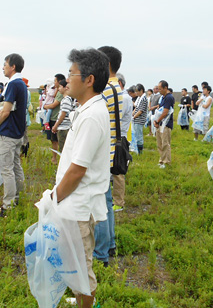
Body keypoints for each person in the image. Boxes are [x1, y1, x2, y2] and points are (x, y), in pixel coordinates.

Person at [50, 48, 110, 308]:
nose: (67, 79)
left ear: (89, 80)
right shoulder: (86, 109)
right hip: (75, 201)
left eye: (71, 73)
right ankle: (84, 297)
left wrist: (55, 198)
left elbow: (78, 170)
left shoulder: (92, 116)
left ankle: (88, 303)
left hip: (79, 204)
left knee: (81, 264)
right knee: (74, 259)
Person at [0, 54, 27, 217]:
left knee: (7, 169)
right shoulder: (21, 84)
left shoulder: (13, 84)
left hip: (9, 133)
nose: (3, 67)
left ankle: (8, 204)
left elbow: (6, 111)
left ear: (13, 67)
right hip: (17, 133)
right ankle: (18, 197)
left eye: (5, 65)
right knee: (16, 166)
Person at [93, 45, 123, 267]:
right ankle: (110, 243)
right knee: (107, 199)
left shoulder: (105, 89)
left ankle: (101, 253)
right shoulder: (116, 87)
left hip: (103, 152)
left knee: (100, 203)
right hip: (111, 150)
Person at [112, 72, 132, 212]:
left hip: (119, 139)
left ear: (119, 83)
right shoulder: (124, 97)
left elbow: (116, 118)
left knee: (118, 171)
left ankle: (119, 202)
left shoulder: (124, 98)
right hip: (118, 137)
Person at [43, 74, 65, 164]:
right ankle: (55, 158)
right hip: (54, 117)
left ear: (59, 81)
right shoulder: (57, 91)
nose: (54, 83)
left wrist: (45, 106)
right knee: (54, 140)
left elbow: (54, 104)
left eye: (55, 81)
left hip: (56, 118)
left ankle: (56, 159)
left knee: (57, 140)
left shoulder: (60, 93)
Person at [152, 80, 175, 168]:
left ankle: (166, 162)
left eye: (160, 89)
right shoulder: (163, 97)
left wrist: (158, 121)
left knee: (165, 143)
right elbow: (159, 109)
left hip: (166, 124)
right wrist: (156, 121)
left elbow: (165, 112)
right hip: (160, 123)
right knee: (160, 143)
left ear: (165, 88)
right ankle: (161, 160)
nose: (159, 90)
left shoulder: (169, 97)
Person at [51, 79, 73, 153]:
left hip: (64, 128)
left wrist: (55, 126)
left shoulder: (66, 99)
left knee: (63, 150)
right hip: (63, 127)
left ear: (65, 87)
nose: (59, 88)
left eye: (60, 86)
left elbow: (63, 114)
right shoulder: (66, 99)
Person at [132, 84, 147, 154]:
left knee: (139, 136)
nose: (136, 93)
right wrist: (132, 114)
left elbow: (140, 111)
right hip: (136, 120)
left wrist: (133, 117)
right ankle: (137, 150)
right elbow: (136, 108)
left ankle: (140, 152)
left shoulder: (143, 99)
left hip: (139, 120)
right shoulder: (139, 99)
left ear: (141, 91)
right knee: (136, 135)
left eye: (137, 91)